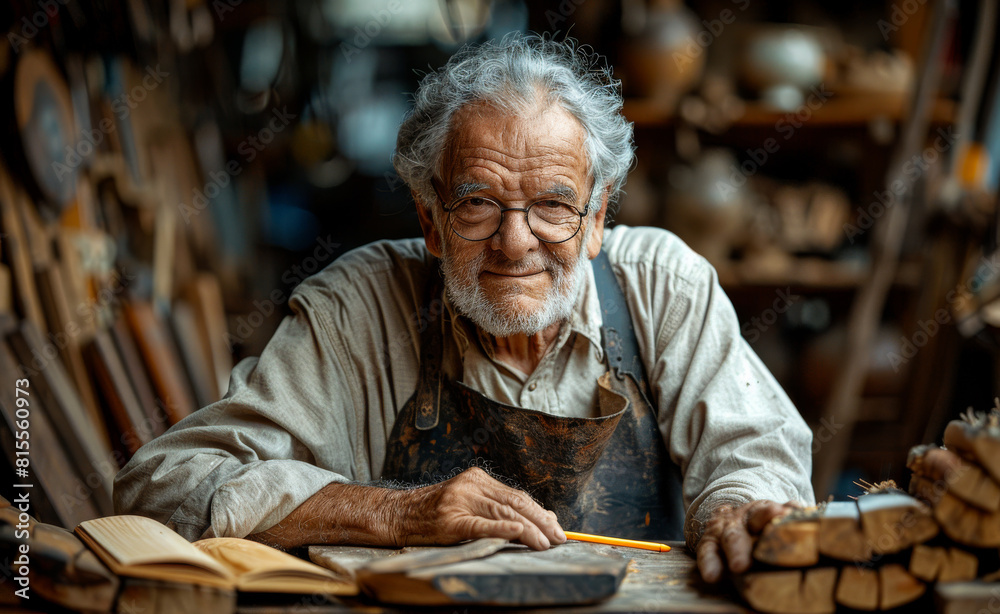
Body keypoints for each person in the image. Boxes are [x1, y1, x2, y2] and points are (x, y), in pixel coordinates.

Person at [114, 32, 815, 583]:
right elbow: (162, 486)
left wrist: (736, 510)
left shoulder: (664, 286)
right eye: (478, 203)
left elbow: (754, 454)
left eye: (553, 205)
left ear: (598, 216)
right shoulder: (359, 305)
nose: (516, 242)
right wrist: (394, 513)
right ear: (430, 219)